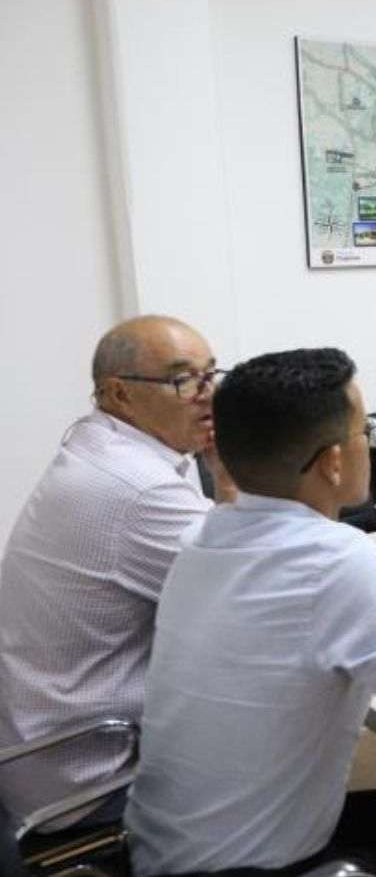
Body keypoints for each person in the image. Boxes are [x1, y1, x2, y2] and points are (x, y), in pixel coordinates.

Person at [125, 349, 376, 876]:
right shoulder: (337, 561)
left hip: (160, 849)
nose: (371, 440)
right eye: (366, 431)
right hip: (247, 868)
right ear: (333, 462)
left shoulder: (200, 538)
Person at [0, 316, 233, 830]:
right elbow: (259, 595)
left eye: (211, 374)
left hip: (38, 748)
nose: (208, 395)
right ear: (119, 393)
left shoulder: (100, 446)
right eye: (183, 380)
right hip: (89, 777)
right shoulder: (137, 485)